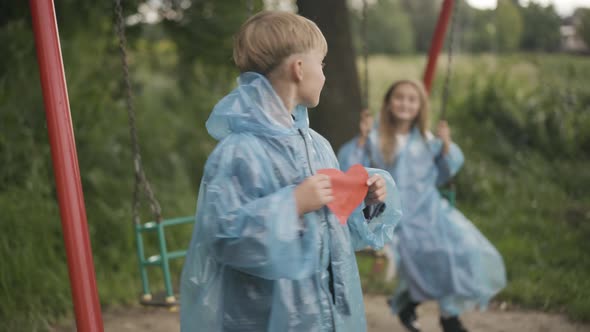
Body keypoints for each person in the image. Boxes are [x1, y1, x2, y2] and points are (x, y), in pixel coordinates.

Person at [180, 11, 402, 332]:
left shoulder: (318, 146)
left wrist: (363, 200)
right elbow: (225, 237)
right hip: (262, 318)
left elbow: (333, 233)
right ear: (299, 69)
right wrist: (292, 204)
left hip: (323, 315)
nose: (324, 75)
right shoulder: (239, 152)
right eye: (321, 64)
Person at [338, 80, 506, 332]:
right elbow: (351, 167)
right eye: (399, 97)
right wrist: (361, 140)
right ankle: (421, 307)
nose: (405, 103)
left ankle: (443, 312)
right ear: (388, 103)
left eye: (412, 99)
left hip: (431, 212)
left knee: (464, 250)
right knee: (420, 255)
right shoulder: (375, 138)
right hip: (397, 217)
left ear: (420, 106)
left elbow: (447, 168)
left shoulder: (428, 139)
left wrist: (447, 145)